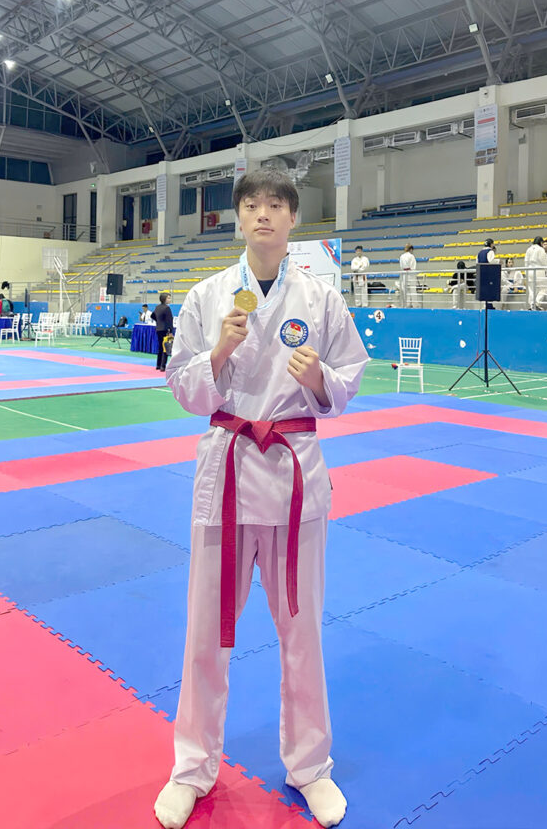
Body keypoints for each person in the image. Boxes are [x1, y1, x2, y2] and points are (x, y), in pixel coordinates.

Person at [154, 169, 368, 829]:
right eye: (252, 205)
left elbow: (350, 377)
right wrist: (218, 352)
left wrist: (321, 377)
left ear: (293, 219)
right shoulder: (207, 295)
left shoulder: (321, 298)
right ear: (239, 218)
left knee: (302, 631)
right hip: (226, 470)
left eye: (276, 205)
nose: (264, 215)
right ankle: (191, 767)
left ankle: (311, 768)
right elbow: (181, 385)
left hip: (295, 474)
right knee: (204, 633)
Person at [524, 236, 547, 310]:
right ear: (541, 242)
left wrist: (526, 274)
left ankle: (532, 305)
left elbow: (526, 262)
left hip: (529, 270)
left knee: (532, 290)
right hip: (539, 270)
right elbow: (545, 262)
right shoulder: (540, 249)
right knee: (544, 288)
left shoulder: (529, 249)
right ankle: (537, 303)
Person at [153, 291, 174, 371]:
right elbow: (169, 320)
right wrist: (171, 331)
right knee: (166, 347)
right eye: (168, 298)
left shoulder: (157, 307)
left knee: (160, 347)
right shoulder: (167, 308)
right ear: (164, 299)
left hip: (159, 329)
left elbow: (152, 315)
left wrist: (159, 321)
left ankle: (158, 365)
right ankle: (163, 366)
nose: (170, 299)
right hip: (165, 330)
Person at [476, 238, 499, 310]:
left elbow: (477, 263)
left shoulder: (479, 253)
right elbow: (491, 261)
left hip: (481, 273)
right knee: (489, 289)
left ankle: (486, 305)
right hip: (488, 273)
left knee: (484, 290)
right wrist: (498, 261)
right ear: (491, 244)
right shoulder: (490, 251)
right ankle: (488, 305)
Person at [398, 243, 420, 308]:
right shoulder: (411, 256)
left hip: (404, 274)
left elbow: (401, 266)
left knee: (405, 291)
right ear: (411, 249)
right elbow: (413, 266)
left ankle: (406, 304)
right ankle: (415, 304)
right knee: (413, 290)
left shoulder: (401, 256)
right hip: (411, 274)